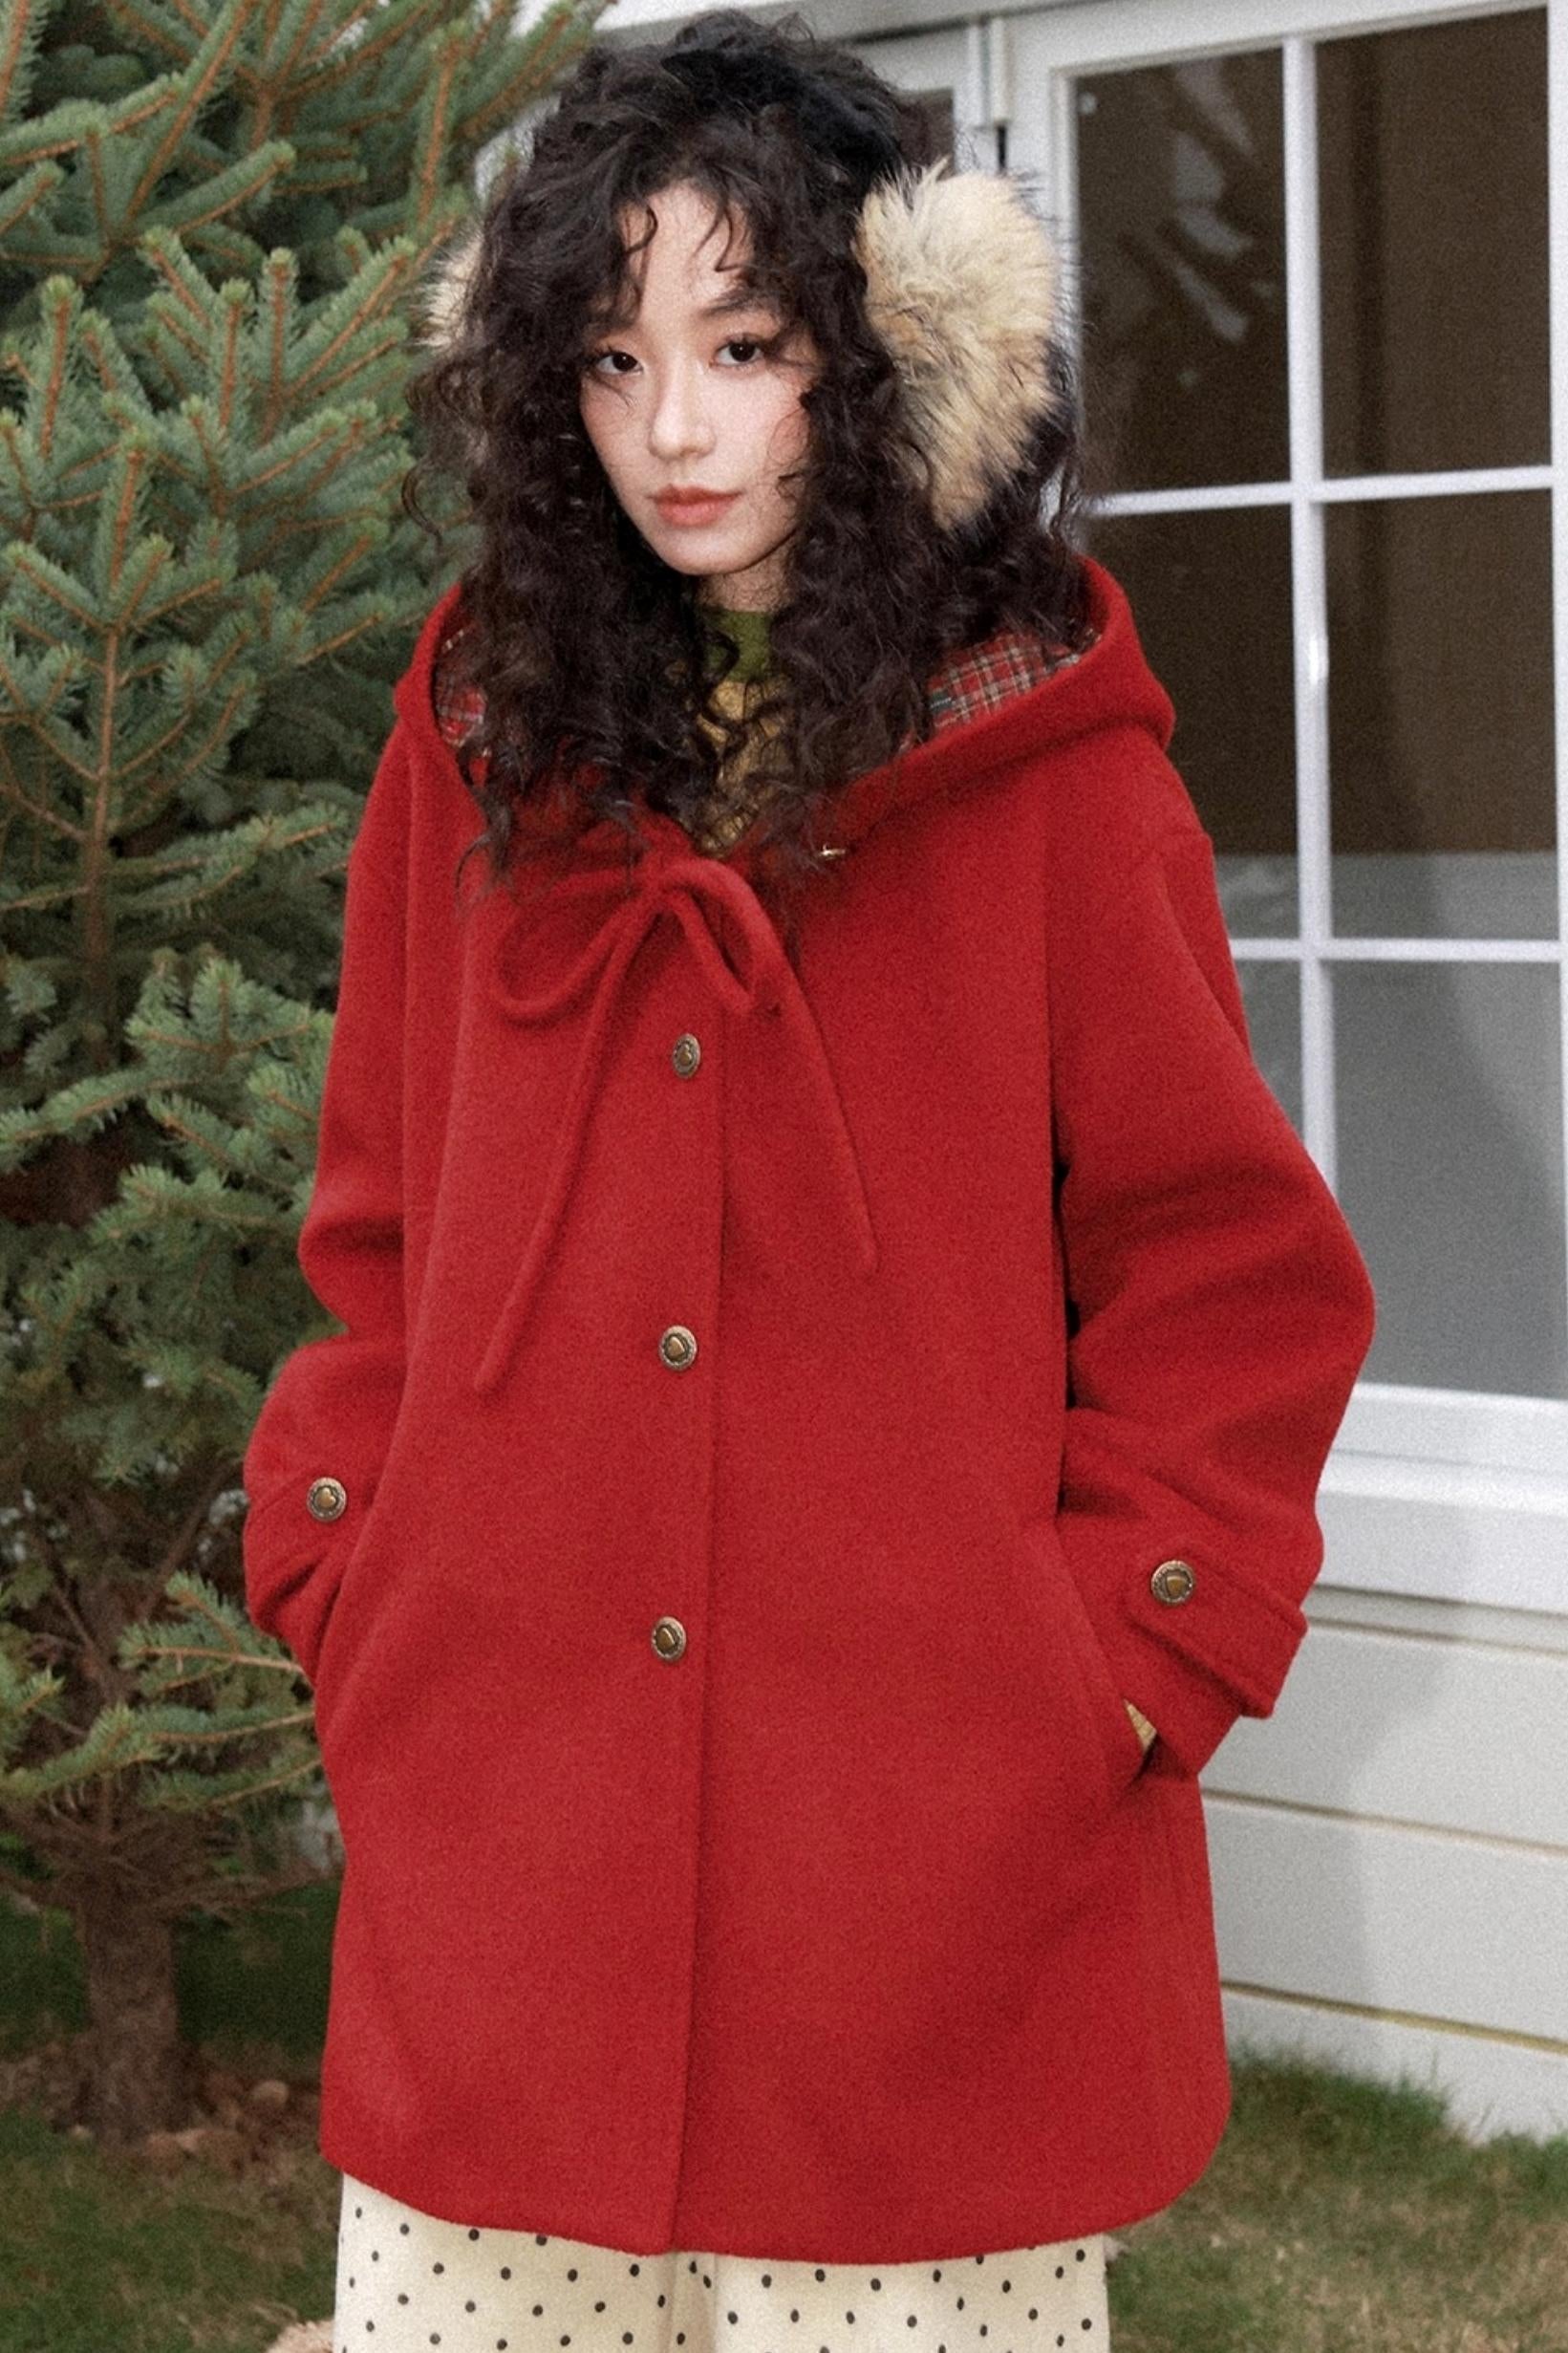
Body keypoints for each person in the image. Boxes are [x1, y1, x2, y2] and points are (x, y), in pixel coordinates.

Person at [240, 12, 1379, 2351]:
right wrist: (354, 1572)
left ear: (873, 358)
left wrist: (1099, 1674)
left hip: (923, 1910)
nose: (672, 430)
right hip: (507, 1865)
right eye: (613, 357)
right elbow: (377, 1225)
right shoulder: (480, 743)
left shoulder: (1052, 778)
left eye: (742, 349)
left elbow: (1227, 1282)